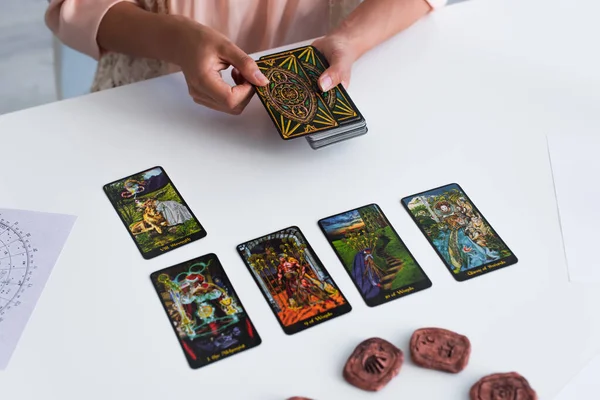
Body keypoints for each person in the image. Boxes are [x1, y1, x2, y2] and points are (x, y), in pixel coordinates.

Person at [46, 0, 457, 115]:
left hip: (342, 75)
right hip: (161, 97)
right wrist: (177, 38)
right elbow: (78, 7)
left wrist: (350, 37)